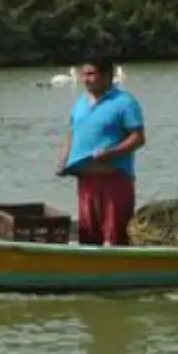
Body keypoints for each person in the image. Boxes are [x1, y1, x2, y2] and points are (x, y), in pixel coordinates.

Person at [56, 57, 146, 245]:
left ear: (106, 76)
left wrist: (111, 154)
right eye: (83, 74)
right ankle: (89, 271)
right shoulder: (80, 102)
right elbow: (73, 131)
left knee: (114, 235)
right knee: (88, 234)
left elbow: (138, 138)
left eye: (90, 74)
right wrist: (64, 159)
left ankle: (117, 271)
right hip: (86, 180)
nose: (85, 79)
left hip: (114, 179)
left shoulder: (125, 102)